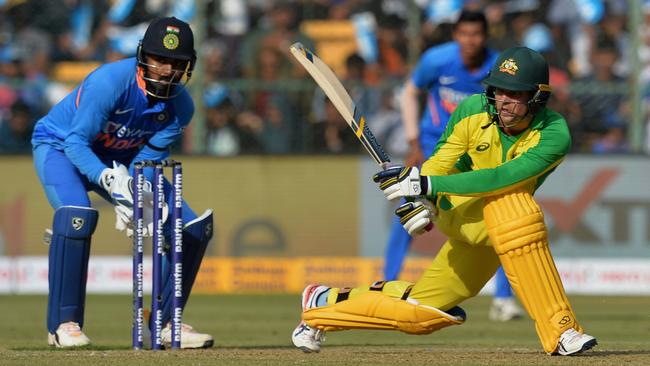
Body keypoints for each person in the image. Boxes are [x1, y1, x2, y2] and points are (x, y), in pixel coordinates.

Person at [291, 46, 598, 356]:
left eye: (514, 93)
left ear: (537, 97)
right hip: (462, 210)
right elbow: (440, 161)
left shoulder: (554, 133)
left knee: (418, 315)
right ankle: (562, 331)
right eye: (499, 90)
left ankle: (322, 304)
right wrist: (424, 198)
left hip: (494, 229)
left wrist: (426, 183)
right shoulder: (472, 109)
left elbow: (501, 178)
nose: (503, 100)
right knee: (516, 209)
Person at [31, 17, 214, 349]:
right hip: (61, 147)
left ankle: (162, 322)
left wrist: (139, 193)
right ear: (144, 56)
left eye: (177, 63)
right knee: (77, 216)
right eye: (160, 59)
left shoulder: (181, 107)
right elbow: (76, 143)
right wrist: (109, 179)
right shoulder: (109, 82)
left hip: (125, 160)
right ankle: (63, 324)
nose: (167, 70)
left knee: (190, 227)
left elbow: (149, 161)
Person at [383, 9, 521, 322]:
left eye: (476, 34)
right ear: (455, 35)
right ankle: (387, 282)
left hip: (478, 154)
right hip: (435, 149)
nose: (470, 41)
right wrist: (414, 141)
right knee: (409, 214)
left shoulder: (499, 66)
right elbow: (409, 92)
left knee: (498, 221)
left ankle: (503, 299)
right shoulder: (436, 59)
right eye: (464, 34)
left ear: (485, 36)